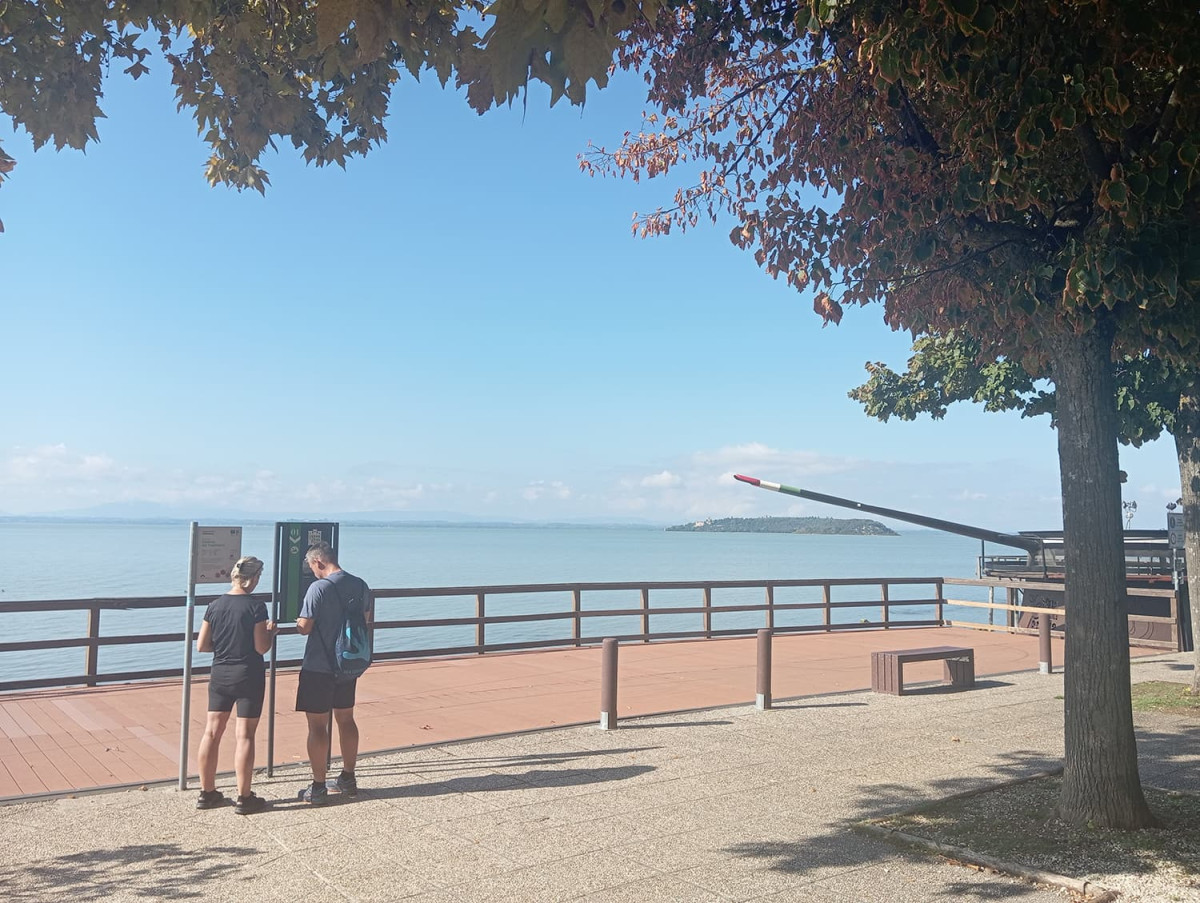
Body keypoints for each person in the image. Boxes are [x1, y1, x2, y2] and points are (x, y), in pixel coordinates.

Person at [195, 555, 277, 815]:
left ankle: (207, 792)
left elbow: (202, 645)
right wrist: (271, 633)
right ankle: (244, 797)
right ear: (252, 579)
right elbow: (261, 647)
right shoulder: (256, 607)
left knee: (211, 732)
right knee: (245, 735)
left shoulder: (214, 606)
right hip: (248, 674)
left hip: (220, 674)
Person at [295, 541, 372, 804]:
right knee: (346, 719)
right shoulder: (360, 585)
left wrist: (298, 622)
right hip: (348, 663)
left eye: (311, 567)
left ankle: (317, 787)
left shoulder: (319, 588)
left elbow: (305, 627)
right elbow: (367, 621)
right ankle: (348, 778)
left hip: (319, 665)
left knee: (317, 726)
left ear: (318, 562)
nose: (312, 572)